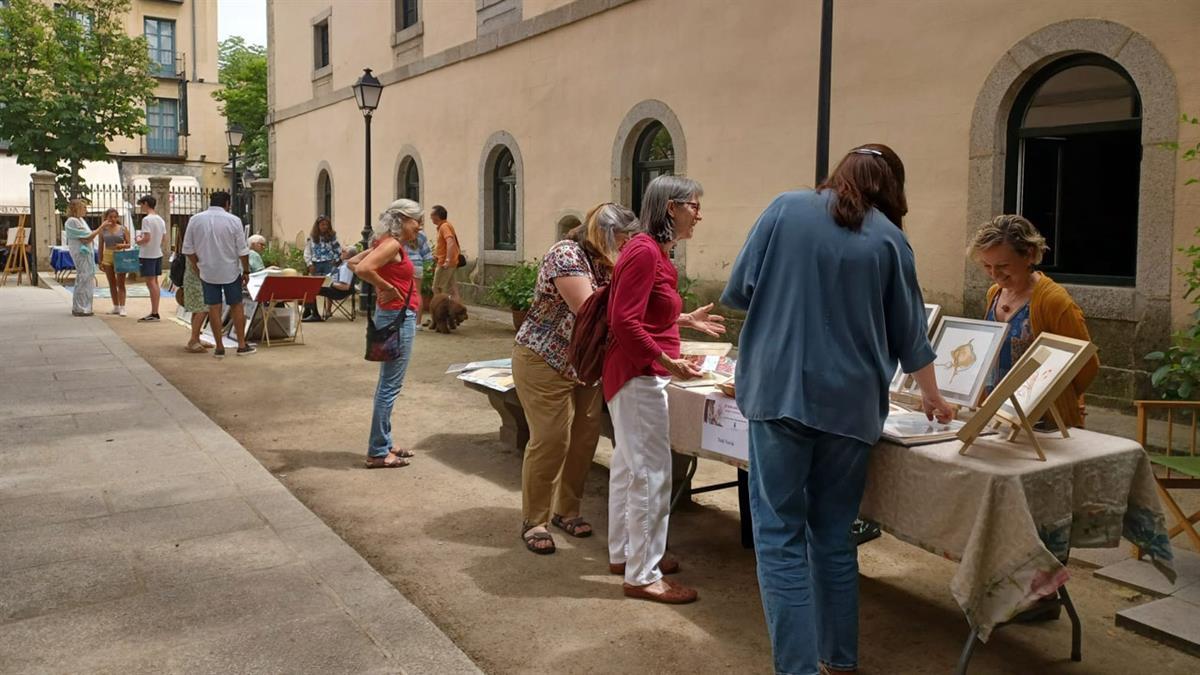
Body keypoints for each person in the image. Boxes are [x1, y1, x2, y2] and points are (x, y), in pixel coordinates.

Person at [721, 144, 954, 675]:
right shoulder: (893, 241)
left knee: (779, 537)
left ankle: (798, 669)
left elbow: (740, 291)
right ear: (892, 189)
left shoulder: (784, 208)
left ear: (839, 174)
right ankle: (840, 662)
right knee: (832, 535)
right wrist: (935, 398)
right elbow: (912, 338)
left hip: (778, 394)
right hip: (851, 409)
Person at [604, 175, 725, 604]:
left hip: (637, 372)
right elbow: (623, 320)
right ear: (670, 208)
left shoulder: (649, 251)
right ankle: (643, 574)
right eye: (693, 205)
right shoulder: (643, 251)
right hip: (639, 374)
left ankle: (626, 554)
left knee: (630, 467)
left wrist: (684, 321)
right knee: (651, 475)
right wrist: (668, 358)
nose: (699, 213)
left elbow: (645, 313)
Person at [513, 202, 641, 555]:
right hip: (544, 358)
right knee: (552, 439)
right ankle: (534, 520)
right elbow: (589, 310)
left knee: (584, 440)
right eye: (623, 238)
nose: (627, 245)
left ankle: (566, 511)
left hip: (586, 365)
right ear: (604, 234)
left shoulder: (608, 261)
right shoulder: (566, 255)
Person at [969, 214, 1100, 428]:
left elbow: (1087, 365)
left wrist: (1055, 396)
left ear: (1029, 254)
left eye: (1002, 265)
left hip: (1043, 421)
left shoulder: (1053, 301)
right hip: (999, 415)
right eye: (987, 266)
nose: (995, 274)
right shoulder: (994, 293)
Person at [349, 199, 424, 469]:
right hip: (396, 317)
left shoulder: (386, 244)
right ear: (403, 220)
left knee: (387, 383)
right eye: (417, 220)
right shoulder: (391, 244)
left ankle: (385, 441)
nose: (420, 226)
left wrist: (381, 280)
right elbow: (363, 269)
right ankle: (378, 451)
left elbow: (353, 263)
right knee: (390, 386)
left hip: (392, 315)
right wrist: (387, 286)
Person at [181, 191, 256, 358]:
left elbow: (188, 249)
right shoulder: (234, 220)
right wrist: (246, 270)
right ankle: (242, 345)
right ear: (227, 204)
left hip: (207, 271)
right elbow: (243, 250)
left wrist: (197, 266)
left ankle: (219, 347)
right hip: (230, 270)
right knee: (236, 305)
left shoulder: (195, 219)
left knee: (213, 307)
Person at [176, 220, 210, 353]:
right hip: (197, 279)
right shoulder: (196, 243)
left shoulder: (194, 241)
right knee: (202, 308)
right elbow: (196, 263)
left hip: (194, 278)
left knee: (198, 309)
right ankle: (193, 340)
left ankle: (196, 337)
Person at [302, 245, 358, 322]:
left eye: (343, 251)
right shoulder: (342, 264)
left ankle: (314, 315)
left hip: (339, 292)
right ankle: (308, 312)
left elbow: (345, 287)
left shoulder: (346, 267)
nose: (340, 252)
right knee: (311, 284)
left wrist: (330, 283)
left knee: (311, 288)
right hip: (334, 288)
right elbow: (331, 276)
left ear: (349, 256)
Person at [135, 195, 168, 322]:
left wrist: (138, 240)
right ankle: (155, 310)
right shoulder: (160, 219)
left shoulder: (147, 220)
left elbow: (146, 238)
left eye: (141, 204)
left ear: (146, 204)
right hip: (157, 253)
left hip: (147, 254)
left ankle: (154, 312)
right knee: (154, 282)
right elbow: (164, 238)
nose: (141, 207)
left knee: (151, 283)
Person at [63, 199, 99, 316]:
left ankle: (86, 307)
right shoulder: (72, 221)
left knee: (87, 278)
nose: (86, 210)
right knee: (83, 278)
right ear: (77, 208)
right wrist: (100, 228)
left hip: (86, 253)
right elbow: (86, 238)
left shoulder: (81, 220)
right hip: (81, 253)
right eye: (84, 208)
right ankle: (80, 308)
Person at [96, 207, 130, 316]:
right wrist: (100, 261)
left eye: (115, 217)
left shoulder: (123, 229)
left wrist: (122, 245)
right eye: (110, 217)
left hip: (120, 255)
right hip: (107, 255)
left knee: (121, 283)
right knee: (111, 283)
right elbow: (101, 246)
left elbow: (129, 244)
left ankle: (123, 307)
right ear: (106, 217)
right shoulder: (103, 230)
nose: (113, 219)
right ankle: (115, 306)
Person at [403, 228, 432, 328]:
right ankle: (417, 323)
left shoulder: (402, 232)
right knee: (417, 294)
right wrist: (428, 265)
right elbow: (427, 253)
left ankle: (405, 320)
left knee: (404, 293)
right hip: (418, 265)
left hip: (405, 264)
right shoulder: (421, 234)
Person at [431, 205, 460, 300]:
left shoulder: (444, 226)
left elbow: (450, 242)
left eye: (432, 214)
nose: (430, 217)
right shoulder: (445, 225)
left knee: (437, 288)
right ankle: (456, 311)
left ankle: (441, 311)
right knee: (453, 289)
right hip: (450, 262)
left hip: (444, 263)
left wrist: (447, 260)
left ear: (437, 216)